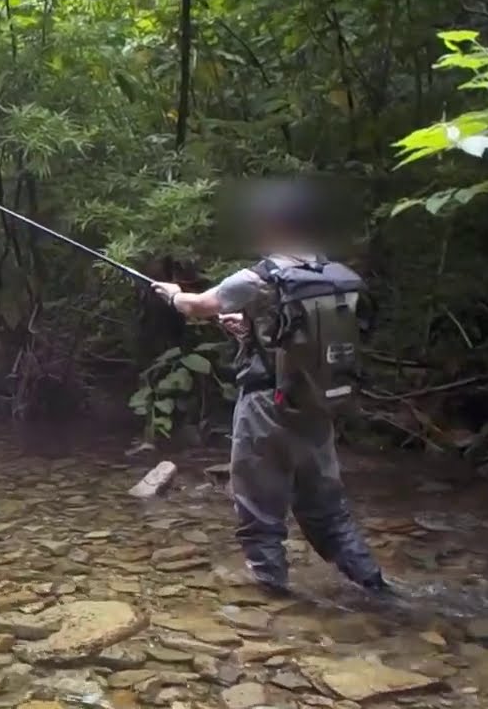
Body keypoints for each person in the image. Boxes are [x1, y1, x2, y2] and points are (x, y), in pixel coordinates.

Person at [149, 182, 390, 597]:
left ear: (273, 224)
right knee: (327, 511)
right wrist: (247, 330)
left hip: (266, 404)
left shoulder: (260, 275)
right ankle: (378, 589)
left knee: (258, 508)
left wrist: (174, 296)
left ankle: (271, 597)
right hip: (316, 402)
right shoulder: (326, 272)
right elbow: (291, 332)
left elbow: (198, 306)